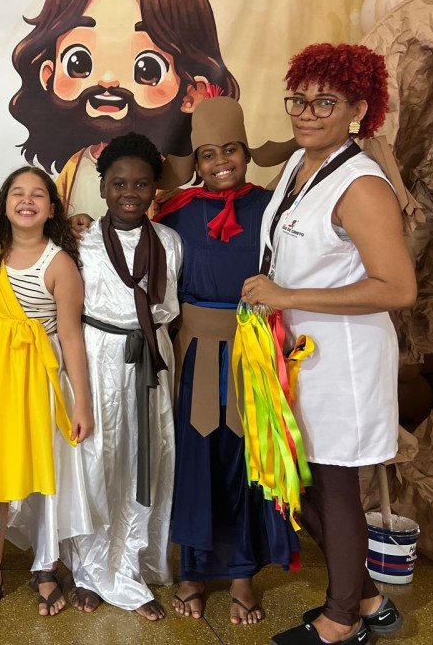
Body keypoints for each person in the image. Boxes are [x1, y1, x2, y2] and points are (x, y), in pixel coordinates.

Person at [240, 44, 415, 645]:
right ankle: (368, 600)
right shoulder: (300, 164)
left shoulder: (362, 187)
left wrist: (286, 295)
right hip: (295, 356)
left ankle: (341, 621)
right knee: (300, 482)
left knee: (332, 487)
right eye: (299, 99)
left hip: (343, 360)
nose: (307, 113)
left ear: (358, 110)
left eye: (325, 102)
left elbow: (398, 287)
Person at [155, 96, 300, 627]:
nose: (222, 162)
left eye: (231, 150)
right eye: (209, 153)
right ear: (195, 159)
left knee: (244, 461)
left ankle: (242, 575)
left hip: (249, 352)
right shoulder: (175, 211)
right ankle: (192, 571)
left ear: (246, 152)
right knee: (195, 458)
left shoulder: (271, 207)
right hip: (194, 349)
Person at [8, 0, 238, 215]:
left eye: (147, 69)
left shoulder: (176, 177)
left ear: (191, 92)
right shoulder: (77, 164)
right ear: (48, 74)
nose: (108, 79)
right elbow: (59, 222)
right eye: (79, 63)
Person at [0, 166, 96, 618]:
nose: (26, 201)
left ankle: (46, 568)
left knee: (46, 472)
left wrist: (82, 402)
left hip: (41, 378)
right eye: (17, 193)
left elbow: (72, 336)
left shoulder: (59, 263)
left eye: (37, 194)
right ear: (3, 204)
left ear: (52, 208)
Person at [61, 133, 181, 620]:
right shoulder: (80, 241)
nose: (130, 192)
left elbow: (169, 309)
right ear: (102, 186)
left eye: (141, 183)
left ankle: (131, 566)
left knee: (145, 463)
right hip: (98, 357)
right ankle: (89, 570)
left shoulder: (169, 242)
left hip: (150, 358)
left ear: (155, 188)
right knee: (97, 463)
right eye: (119, 183)